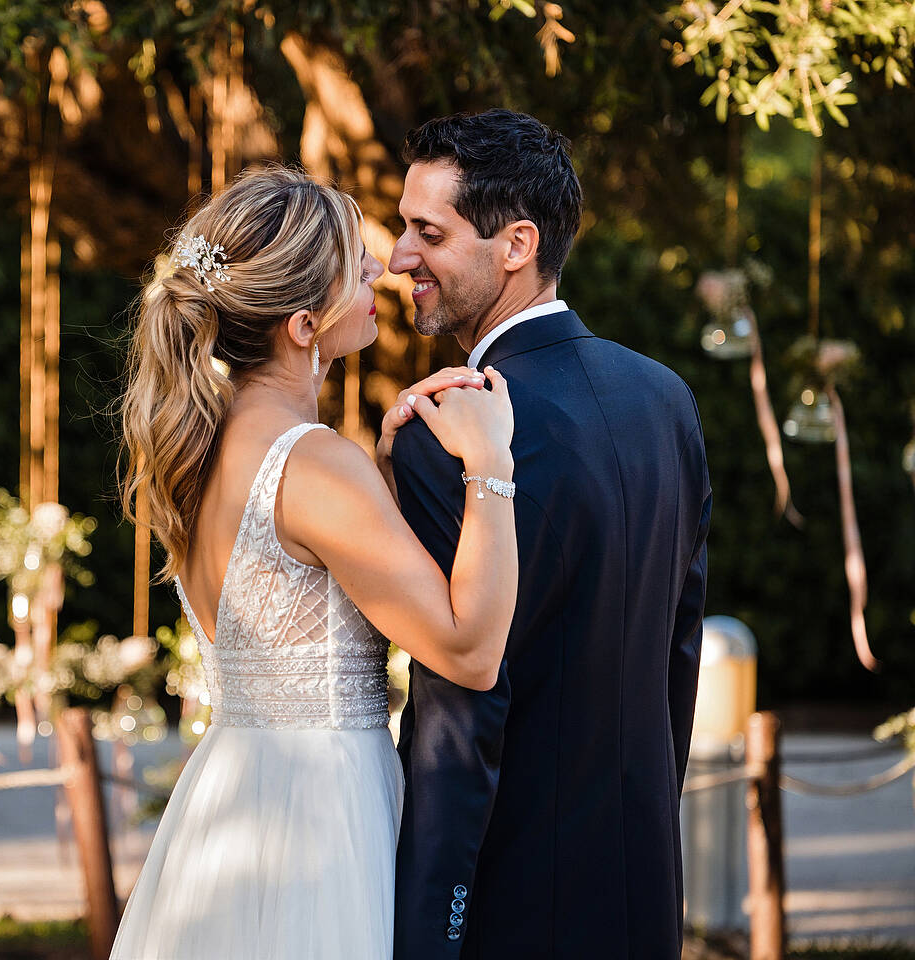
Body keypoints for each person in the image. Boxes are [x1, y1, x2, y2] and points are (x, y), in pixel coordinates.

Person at [111, 165, 520, 960]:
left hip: (232, 795)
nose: (382, 269)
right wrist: (488, 463)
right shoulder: (316, 462)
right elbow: (470, 653)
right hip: (319, 813)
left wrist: (390, 474)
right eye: (355, 263)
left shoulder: (203, 446)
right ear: (304, 324)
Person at [386, 109, 711, 959]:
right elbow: (680, 648)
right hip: (643, 883)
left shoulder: (446, 434)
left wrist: (432, 925)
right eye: (400, 228)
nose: (398, 258)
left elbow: (459, 709)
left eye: (428, 232)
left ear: (516, 244)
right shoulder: (665, 398)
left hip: (509, 900)